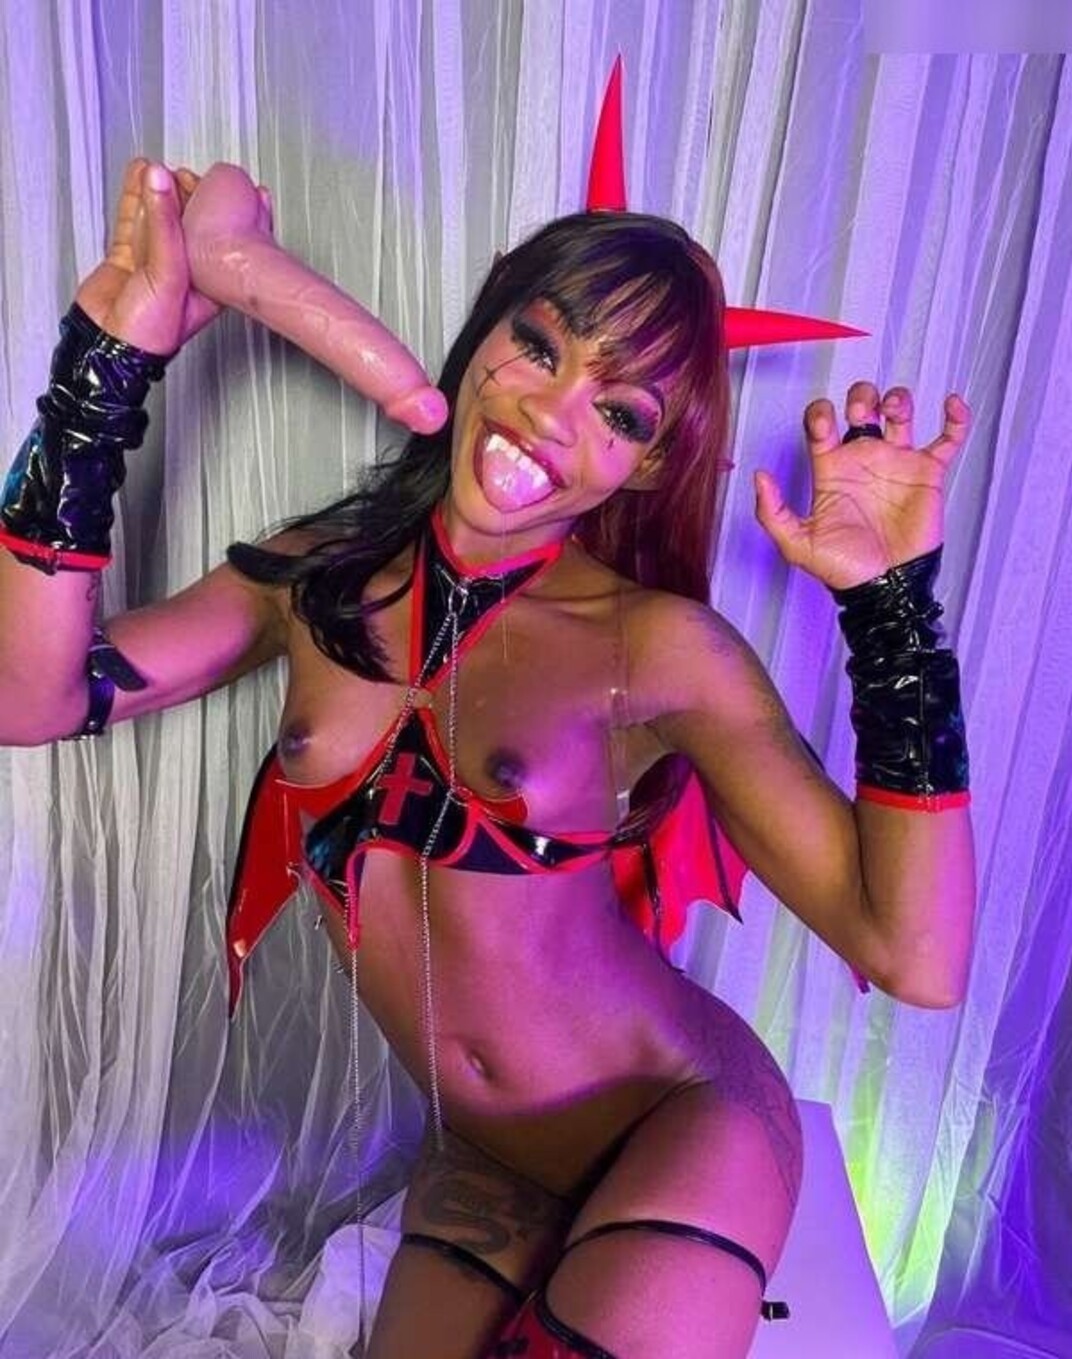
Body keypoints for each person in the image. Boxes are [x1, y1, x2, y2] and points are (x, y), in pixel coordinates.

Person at [0, 157, 975, 1359]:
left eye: (621, 413)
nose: (552, 413)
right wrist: (102, 370)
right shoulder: (313, 578)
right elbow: (30, 697)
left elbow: (917, 957)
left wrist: (892, 610)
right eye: (540, 345)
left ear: (648, 464)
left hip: (681, 1122)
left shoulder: (655, 646)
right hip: (482, 1160)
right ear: (483, 333)